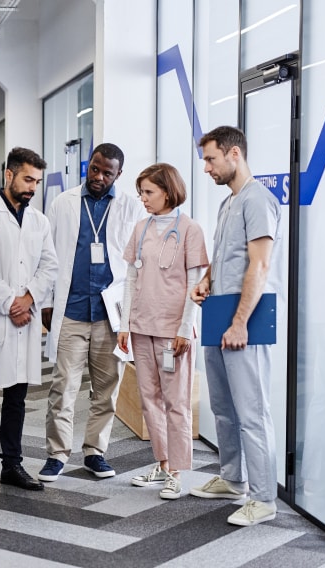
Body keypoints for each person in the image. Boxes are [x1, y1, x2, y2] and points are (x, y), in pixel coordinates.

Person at [189, 126, 283, 526]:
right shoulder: (229, 204)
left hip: (245, 318)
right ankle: (232, 479)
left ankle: (263, 498)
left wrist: (241, 322)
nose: (206, 168)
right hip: (218, 311)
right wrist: (206, 279)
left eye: (210, 159)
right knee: (223, 407)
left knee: (252, 410)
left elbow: (260, 265)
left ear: (234, 154)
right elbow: (225, 255)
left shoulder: (258, 200)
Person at [39, 143, 145, 482]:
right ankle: (57, 454)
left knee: (106, 388)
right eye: (95, 169)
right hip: (70, 309)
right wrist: (47, 301)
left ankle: (95, 452)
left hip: (109, 314)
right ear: (89, 165)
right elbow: (50, 256)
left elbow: (135, 264)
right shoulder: (63, 203)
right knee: (62, 388)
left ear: (119, 175)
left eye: (107, 173)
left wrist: (131, 315)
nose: (99, 177)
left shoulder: (130, 207)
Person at [0, 147, 58, 493]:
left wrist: (29, 297)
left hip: (25, 318)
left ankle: (12, 465)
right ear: (9, 175)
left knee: (17, 397)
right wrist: (10, 304)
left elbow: (50, 265)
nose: (33, 187)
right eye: (27, 179)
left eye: (37, 181)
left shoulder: (40, 221)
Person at [116, 163, 209, 499]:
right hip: (142, 327)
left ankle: (179, 472)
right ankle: (164, 462)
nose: (143, 198)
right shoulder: (141, 228)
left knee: (177, 401)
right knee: (149, 400)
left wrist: (186, 327)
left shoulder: (190, 230)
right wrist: (124, 324)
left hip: (173, 332)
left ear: (167, 192)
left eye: (148, 192)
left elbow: (196, 283)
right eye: (141, 192)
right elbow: (130, 278)